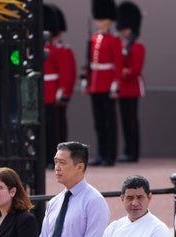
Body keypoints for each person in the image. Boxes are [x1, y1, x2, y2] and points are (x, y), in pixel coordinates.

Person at [82, 0, 122, 166]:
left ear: (109, 21)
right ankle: (101, 153)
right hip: (95, 85)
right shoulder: (93, 38)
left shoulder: (113, 40)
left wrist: (115, 83)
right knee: (98, 123)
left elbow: (118, 64)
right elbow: (89, 62)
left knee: (109, 122)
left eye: (102, 19)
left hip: (107, 84)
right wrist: (86, 80)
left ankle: (110, 155)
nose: (99, 22)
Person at [43, 4, 76, 166]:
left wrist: (62, 92)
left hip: (52, 92)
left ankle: (55, 158)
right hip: (41, 93)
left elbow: (66, 72)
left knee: (55, 129)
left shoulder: (58, 50)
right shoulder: (41, 48)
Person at [115, 1, 145, 163]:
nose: (123, 32)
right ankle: (127, 150)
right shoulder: (121, 46)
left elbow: (135, 69)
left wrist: (122, 71)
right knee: (125, 121)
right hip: (122, 87)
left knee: (132, 121)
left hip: (132, 87)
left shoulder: (137, 47)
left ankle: (133, 152)